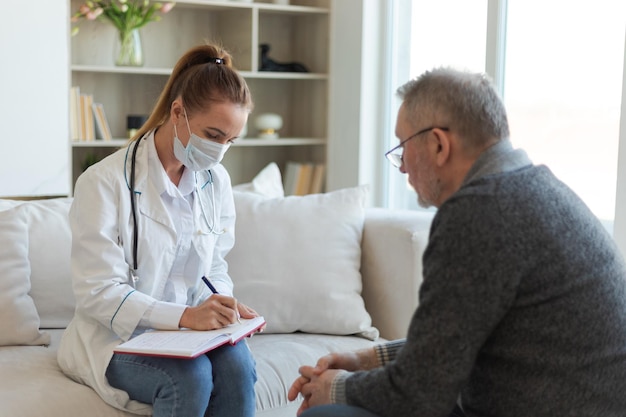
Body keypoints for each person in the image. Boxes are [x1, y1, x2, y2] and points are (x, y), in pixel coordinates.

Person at [288, 67, 626, 417]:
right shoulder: (535, 188)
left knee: (325, 415)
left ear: (438, 144)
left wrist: (334, 388)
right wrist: (368, 358)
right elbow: (456, 340)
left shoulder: (478, 212)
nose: (402, 167)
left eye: (403, 147)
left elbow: (418, 393)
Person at [58, 43, 261, 417]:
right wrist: (185, 317)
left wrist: (222, 304)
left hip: (184, 335)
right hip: (114, 338)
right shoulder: (103, 182)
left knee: (238, 367)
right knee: (191, 376)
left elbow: (214, 266)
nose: (219, 151)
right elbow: (98, 292)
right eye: (213, 135)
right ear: (178, 112)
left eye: (230, 141)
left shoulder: (215, 181)